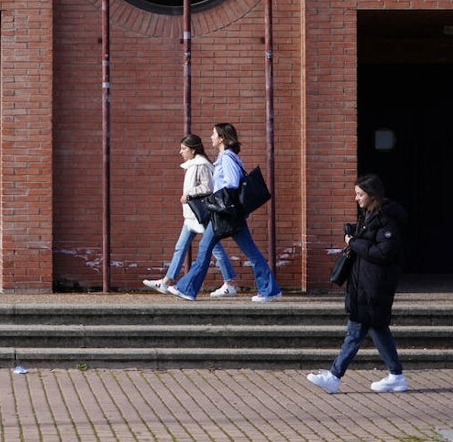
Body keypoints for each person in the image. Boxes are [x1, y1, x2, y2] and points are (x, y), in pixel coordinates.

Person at [307, 174, 409, 394]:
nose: (356, 198)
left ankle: (334, 376)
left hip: (375, 285)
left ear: (372, 196)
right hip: (365, 283)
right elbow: (372, 243)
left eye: (360, 194)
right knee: (377, 329)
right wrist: (355, 234)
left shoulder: (386, 219)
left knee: (356, 330)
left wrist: (353, 242)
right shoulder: (370, 215)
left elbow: (384, 252)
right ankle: (396, 374)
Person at [161, 123, 283, 302]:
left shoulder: (226, 157)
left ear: (222, 138)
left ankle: (187, 288)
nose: (211, 137)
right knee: (238, 250)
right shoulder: (225, 157)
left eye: (214, 134)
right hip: (229, 213)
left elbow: (232, 182)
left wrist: (214, 198)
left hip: (225, 213)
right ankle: (269, 289)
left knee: (210, 248)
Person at [143, 134, 241, 297]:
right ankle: (166, 282)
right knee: (180, 247)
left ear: (193, 150)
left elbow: (208, 187)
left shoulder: (201, 165)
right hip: (191, 216)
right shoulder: (193, 164)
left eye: (184, 149)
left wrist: (189, 194)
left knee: (215, 249)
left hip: (201, 215)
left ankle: (229, 283)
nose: (180, 152)